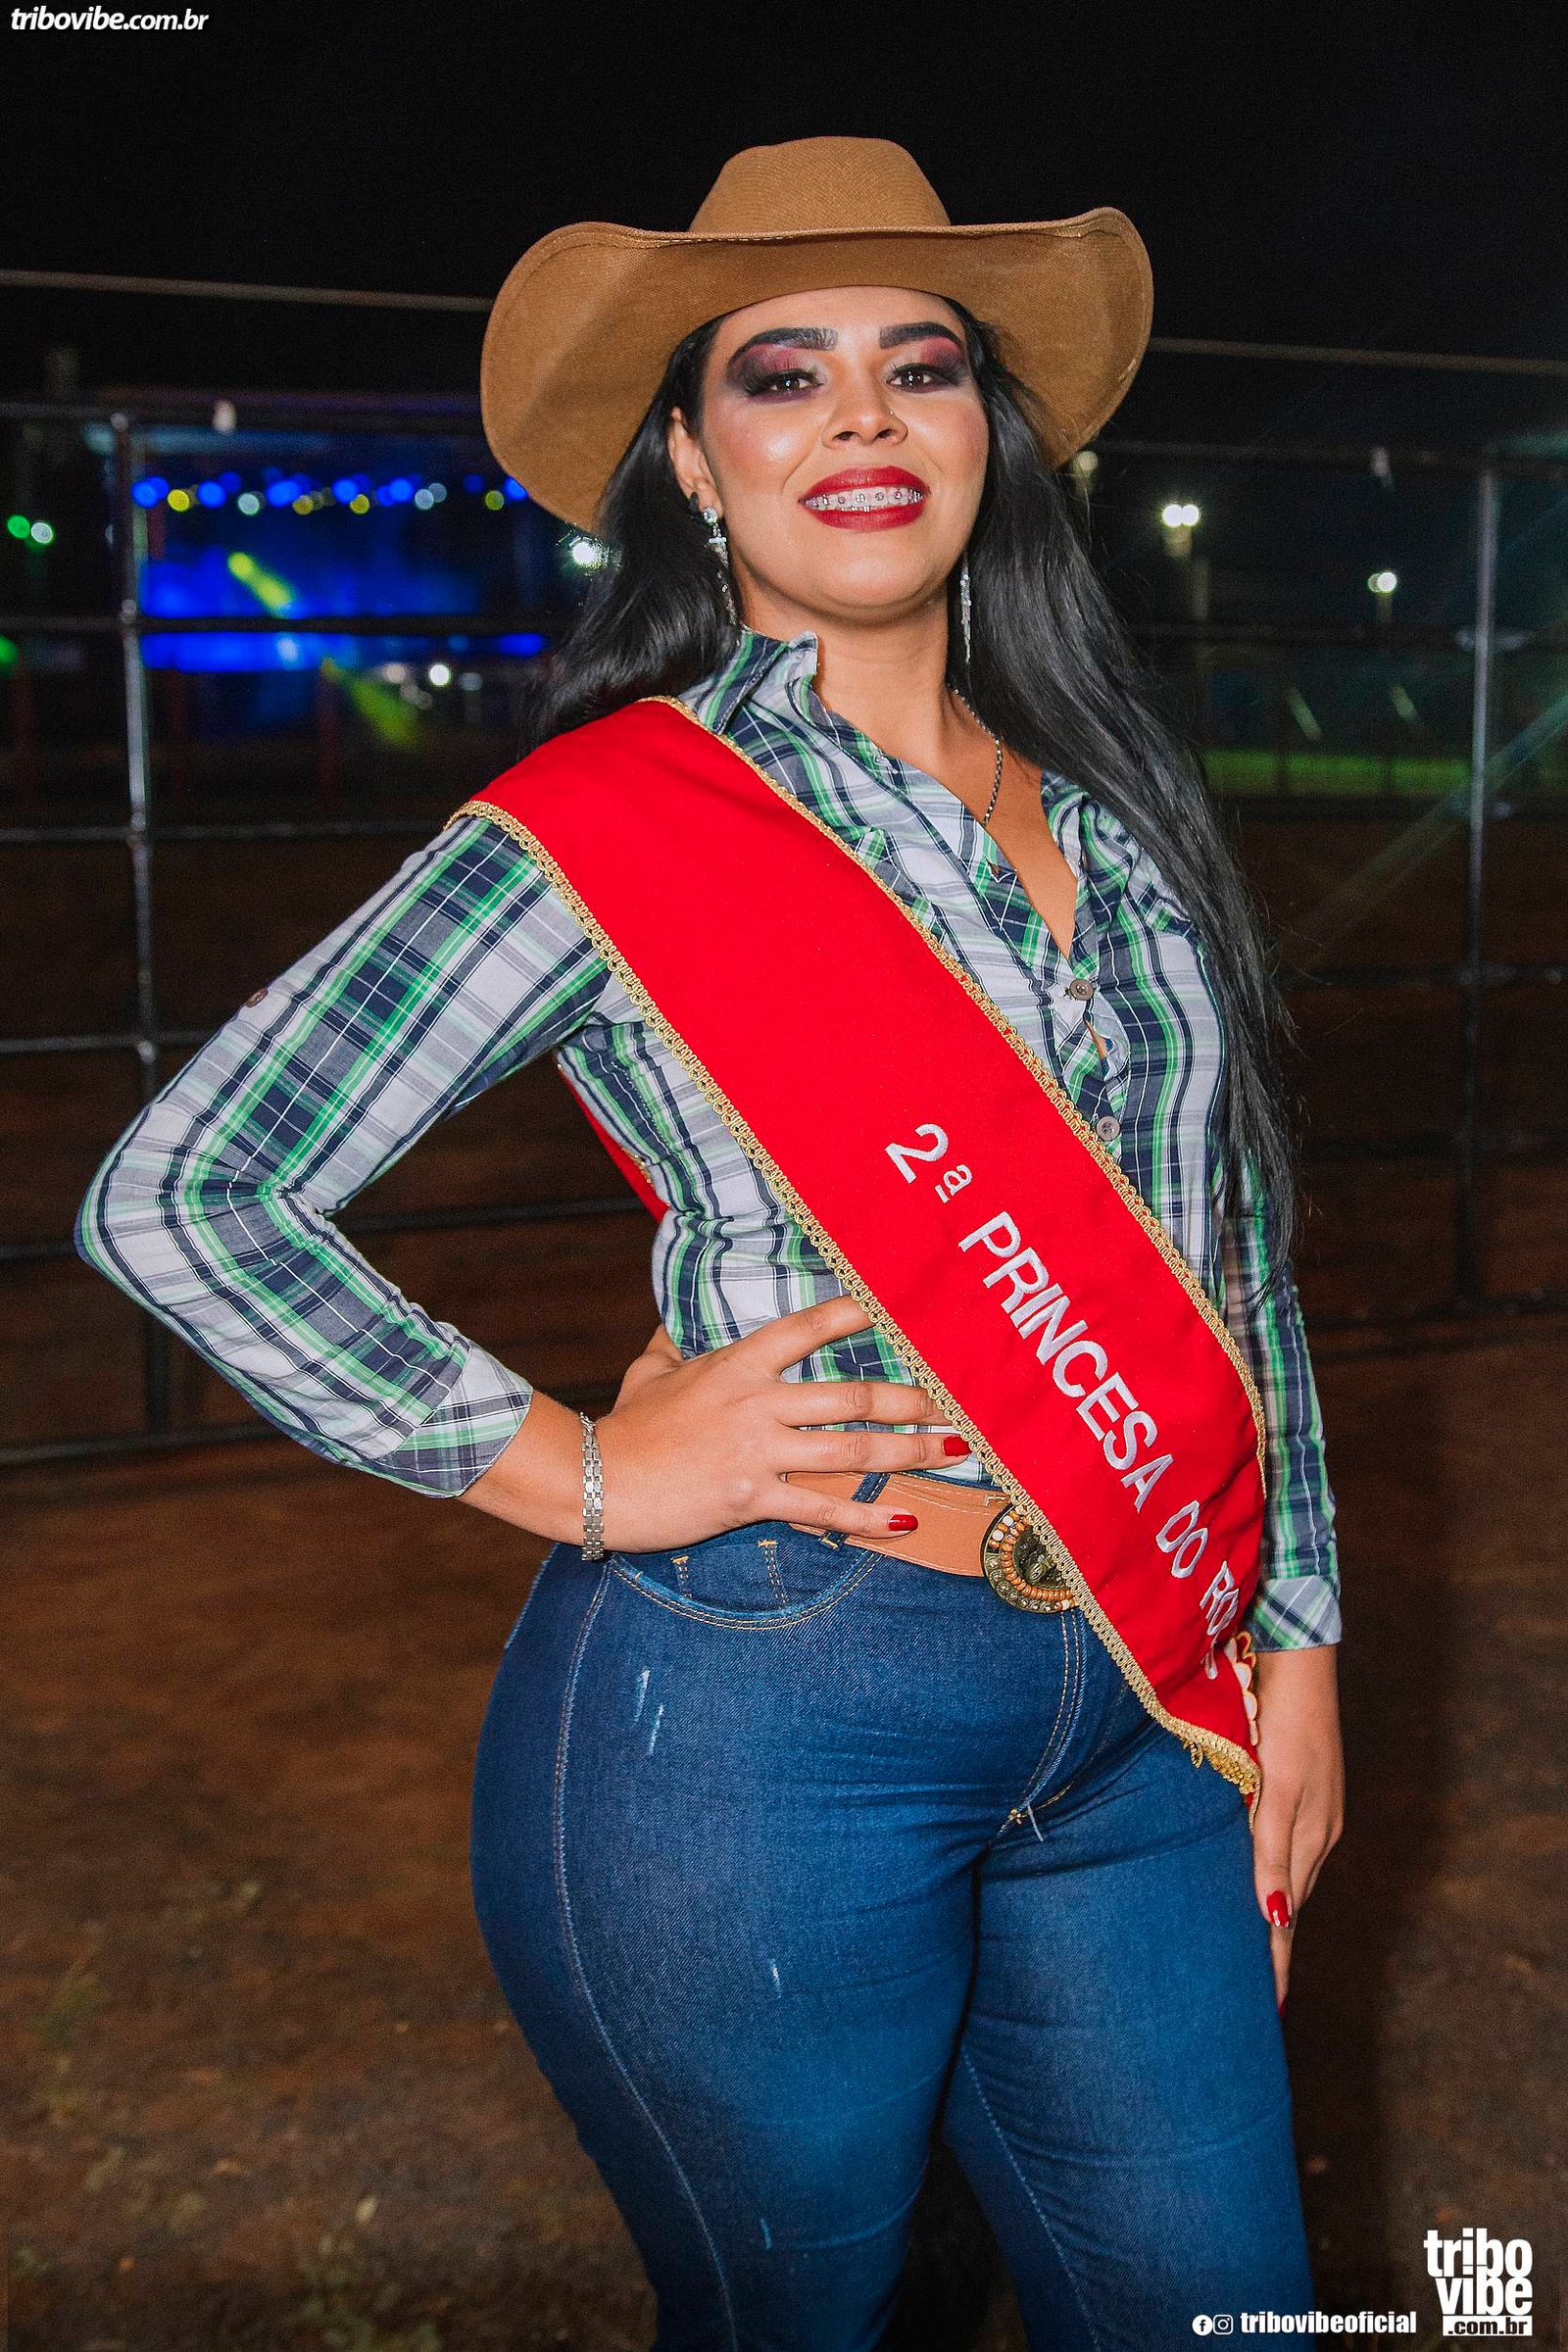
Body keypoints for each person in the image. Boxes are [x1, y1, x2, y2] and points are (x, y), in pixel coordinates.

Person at [76, 138, 1345, 2351]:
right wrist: (579, 1471)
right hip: (768, 1706)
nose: (861, 417)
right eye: (781, 373)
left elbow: (1230, 1261)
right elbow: (184, 1195)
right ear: (689, 457)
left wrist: (1298, 1634)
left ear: (986, 432)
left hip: (1154, 1691)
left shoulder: (1121, 818)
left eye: (919, 366)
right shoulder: (613, 823)